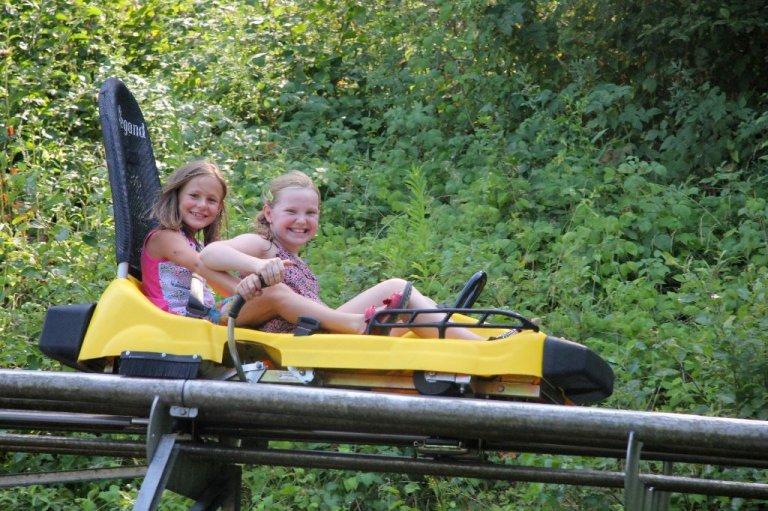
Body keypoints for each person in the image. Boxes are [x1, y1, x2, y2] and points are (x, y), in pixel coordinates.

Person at [200, 170, 487, 339]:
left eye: (310, 213)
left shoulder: (296, 259)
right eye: (291, 212)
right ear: (269, 213)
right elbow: (211, 254)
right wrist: (259, 265)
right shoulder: (262, 244)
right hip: (269, 332)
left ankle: (470, 337)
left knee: (398, 290)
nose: (301, 220)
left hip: (315, 329)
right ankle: (482, 347)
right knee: (278, 291)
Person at [140, 160, 283, 324]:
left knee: (275, 295)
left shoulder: (196, 245)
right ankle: (317, 328)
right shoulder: (164, 237)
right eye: (194, 196)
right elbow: (198, 265)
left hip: (200, 316)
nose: (202, 205)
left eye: (211, 200)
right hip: (175, 322)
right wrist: (247, 287)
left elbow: (218, 282)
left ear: (219, 208)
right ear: (177, 195)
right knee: (274, 295)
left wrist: (251, 289)